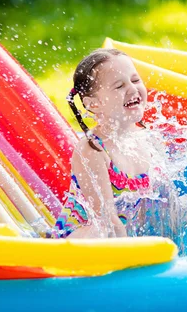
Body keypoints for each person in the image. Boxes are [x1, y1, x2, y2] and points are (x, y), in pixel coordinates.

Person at [50, 48, 162, 239]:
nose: (133, 89)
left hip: (128, 232)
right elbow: (107, 218)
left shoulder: (149, 139)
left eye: (135, 80)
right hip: (82, 239)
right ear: (94, 104)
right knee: (103, 231)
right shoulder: (93, 150)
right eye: (119, 86)